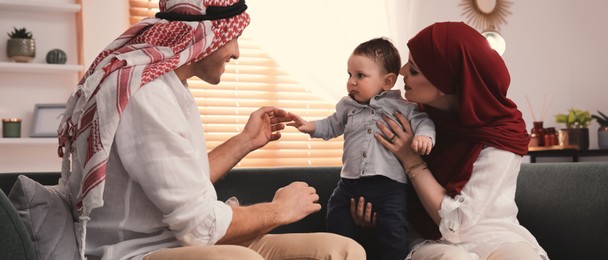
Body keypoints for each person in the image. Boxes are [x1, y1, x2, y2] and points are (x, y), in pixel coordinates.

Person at [55, 0, 365, 259]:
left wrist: (245, 141)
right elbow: (199, 226)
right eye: (232, 38)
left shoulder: (172, 87)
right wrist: (278, 210)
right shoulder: (145, 94)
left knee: (343, 251)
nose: (236, 52)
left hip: (178, 242)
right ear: (204, 35)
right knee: (240, 258)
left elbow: (185, 183)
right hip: (135, 251)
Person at [351, 22, 548, 260]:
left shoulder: (503, 133)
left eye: (414, 70)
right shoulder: (407, 118)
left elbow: (457, 225)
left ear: (445, 83)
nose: (402, 71)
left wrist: (411, 160)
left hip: (492, 234)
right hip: (424, 235)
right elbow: (371, 172)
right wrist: (373, 211)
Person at [289, 37, 435, 259]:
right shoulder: (348, 106)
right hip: (350, 184)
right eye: (349, 75)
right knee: (335, 212)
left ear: (387, 82)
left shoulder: (402, 106)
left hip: (389, 187)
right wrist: (311, 127)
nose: (352, 82)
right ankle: (341, 253)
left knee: (393, 230)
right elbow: (331, 125)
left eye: (360, 76)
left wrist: (424, 136)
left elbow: (423, 121)